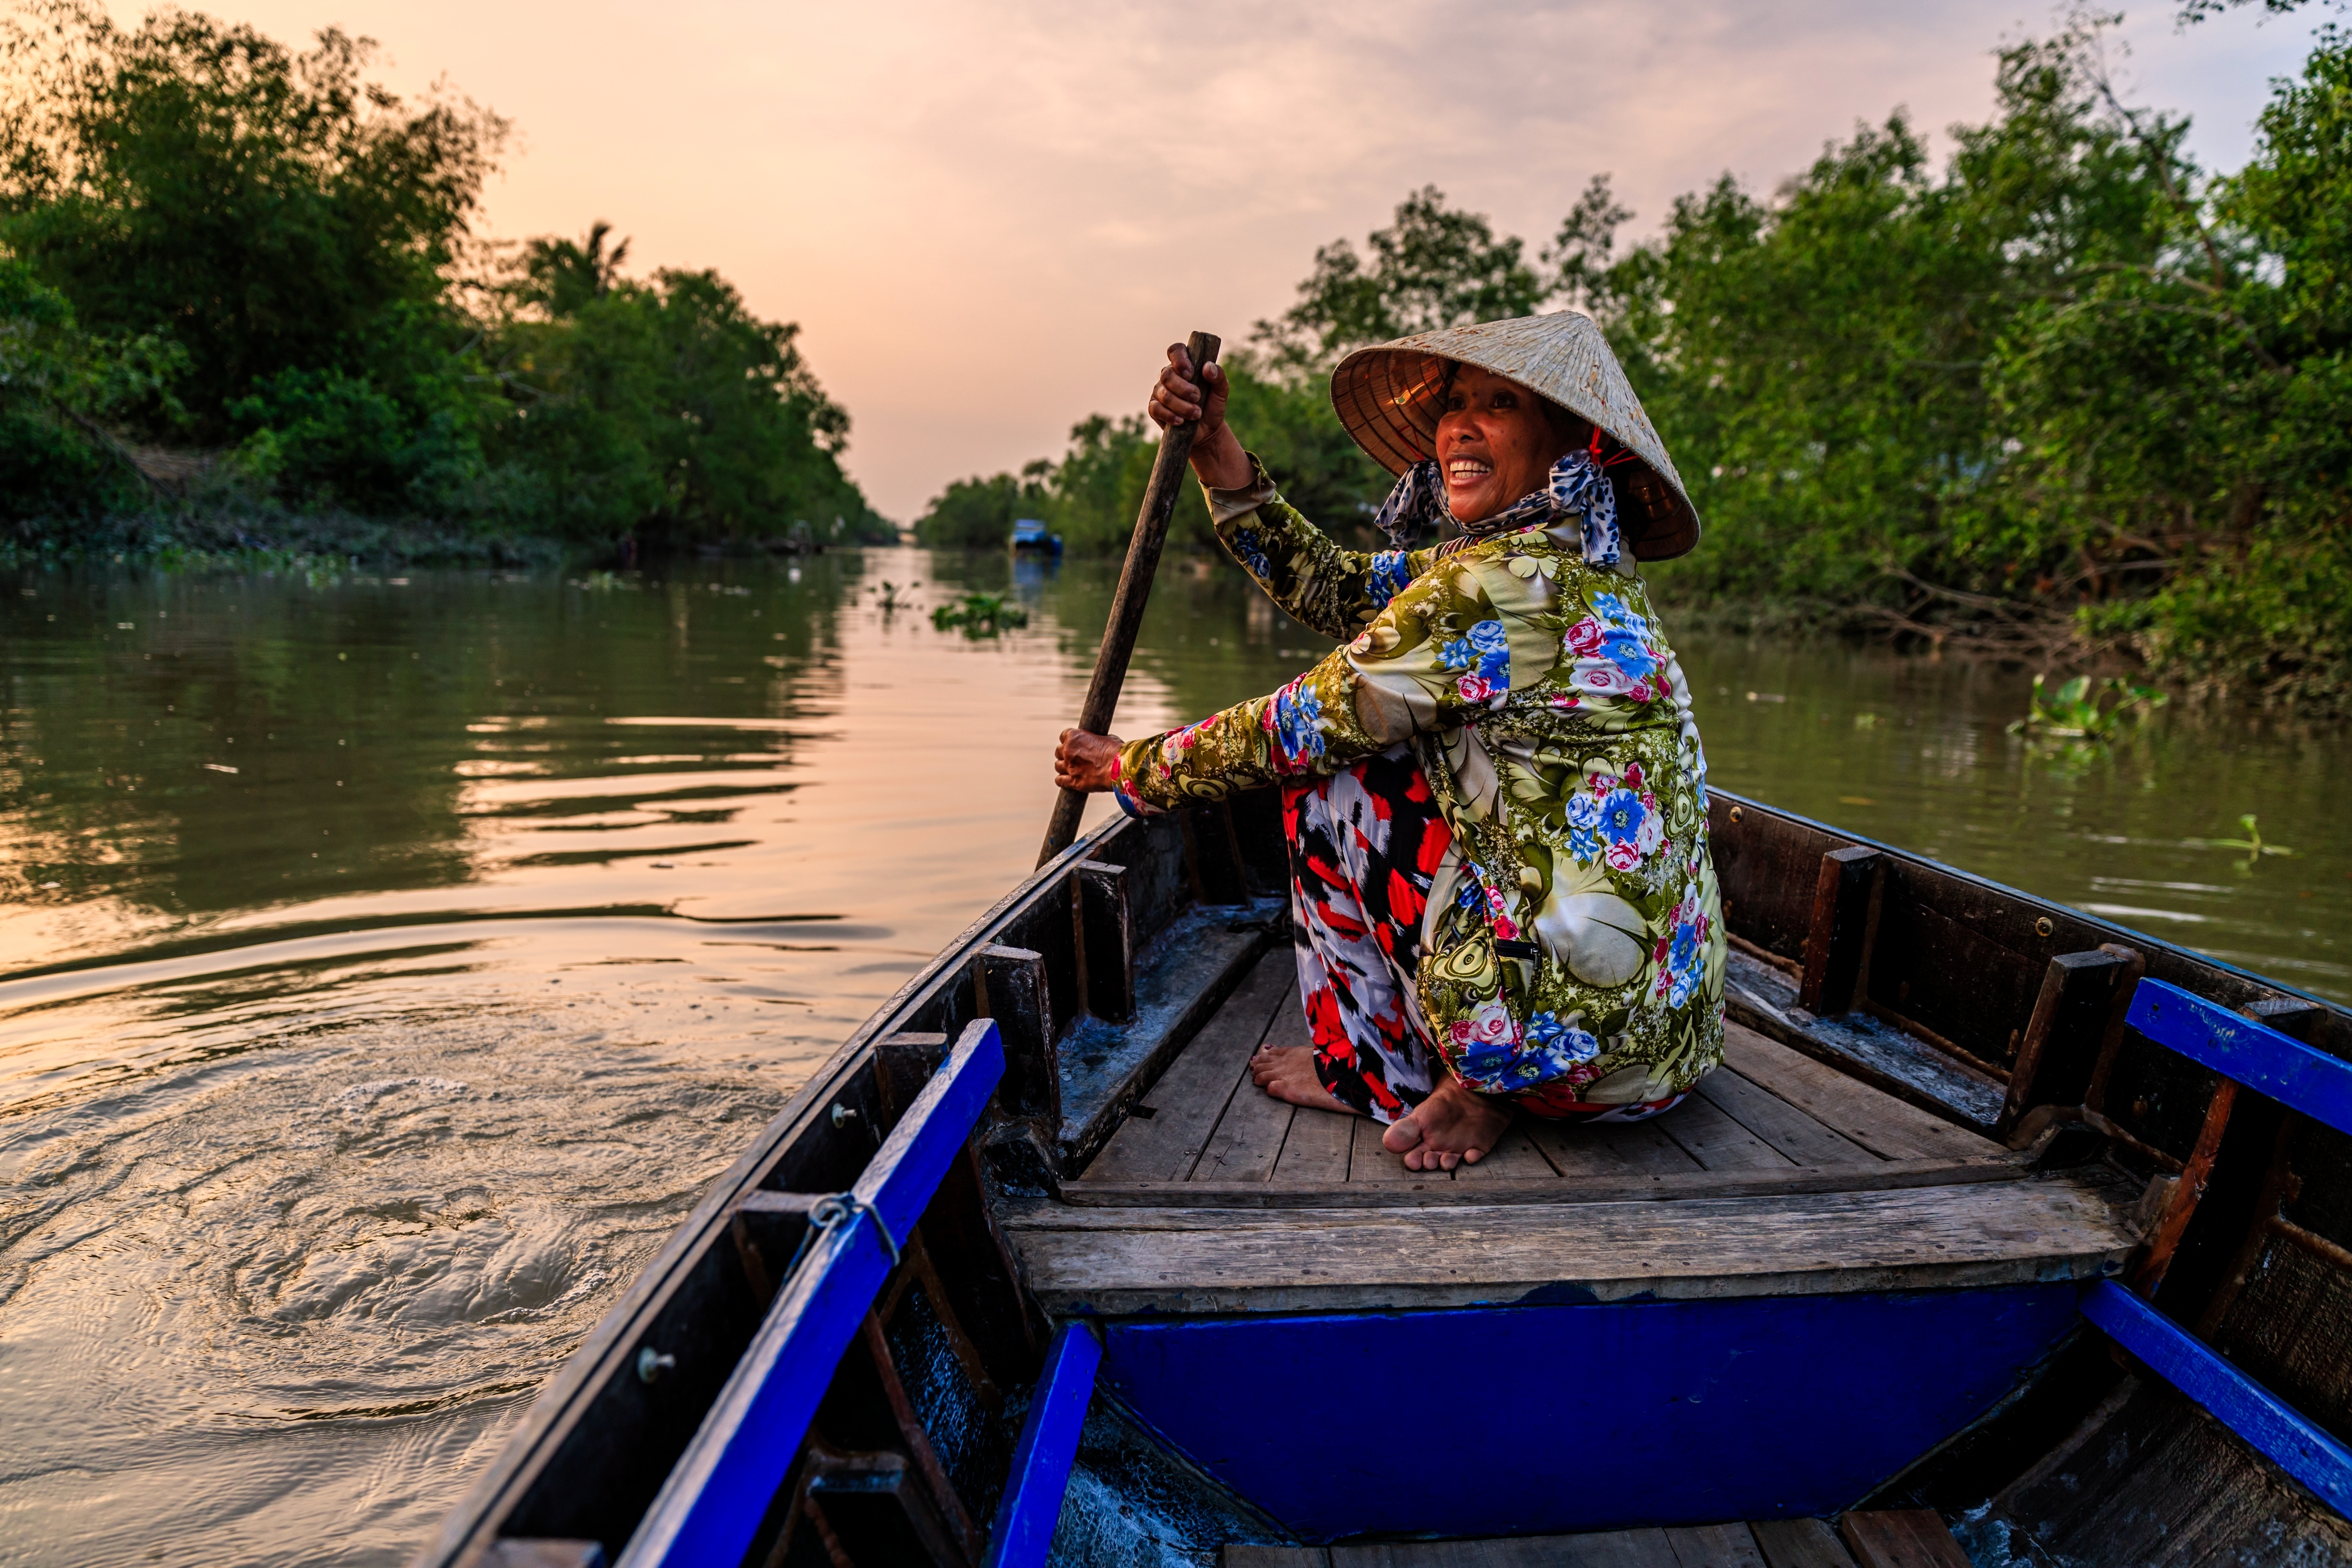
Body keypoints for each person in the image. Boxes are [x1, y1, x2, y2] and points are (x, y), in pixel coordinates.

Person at [1054, 313, 1725, 1171]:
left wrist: (1132, 767)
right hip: (1663, 1057)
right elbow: (1339, 590)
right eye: (1453, 405)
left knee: (1332, 772)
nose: (1460, 427)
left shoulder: (1496, 587)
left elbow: (1293, 728)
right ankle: (1481, 1072)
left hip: (1568, 1061)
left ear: (1573, 444)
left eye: (1501, 403)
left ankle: (1384, 1071)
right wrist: (1215, 451)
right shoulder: (1577, 567)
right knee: (1389, 749)